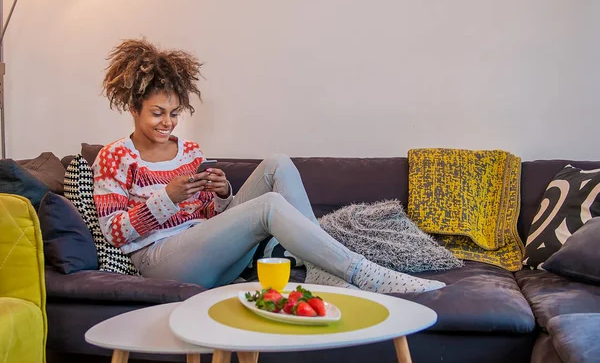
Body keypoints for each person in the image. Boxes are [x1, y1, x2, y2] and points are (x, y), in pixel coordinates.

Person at [92, 38, 445, 294]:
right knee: (269, 207)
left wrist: (222, 194)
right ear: (134, 108)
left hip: (209, 255)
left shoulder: (190, 151)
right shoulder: (114, 157)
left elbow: (212, 222)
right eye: (157, 113)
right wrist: (166, 197)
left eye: (173, 113)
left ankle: (321, 269)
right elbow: (115, 233)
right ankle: (360, 271)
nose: (167, 123)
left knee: (278, 164)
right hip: (160, 263)